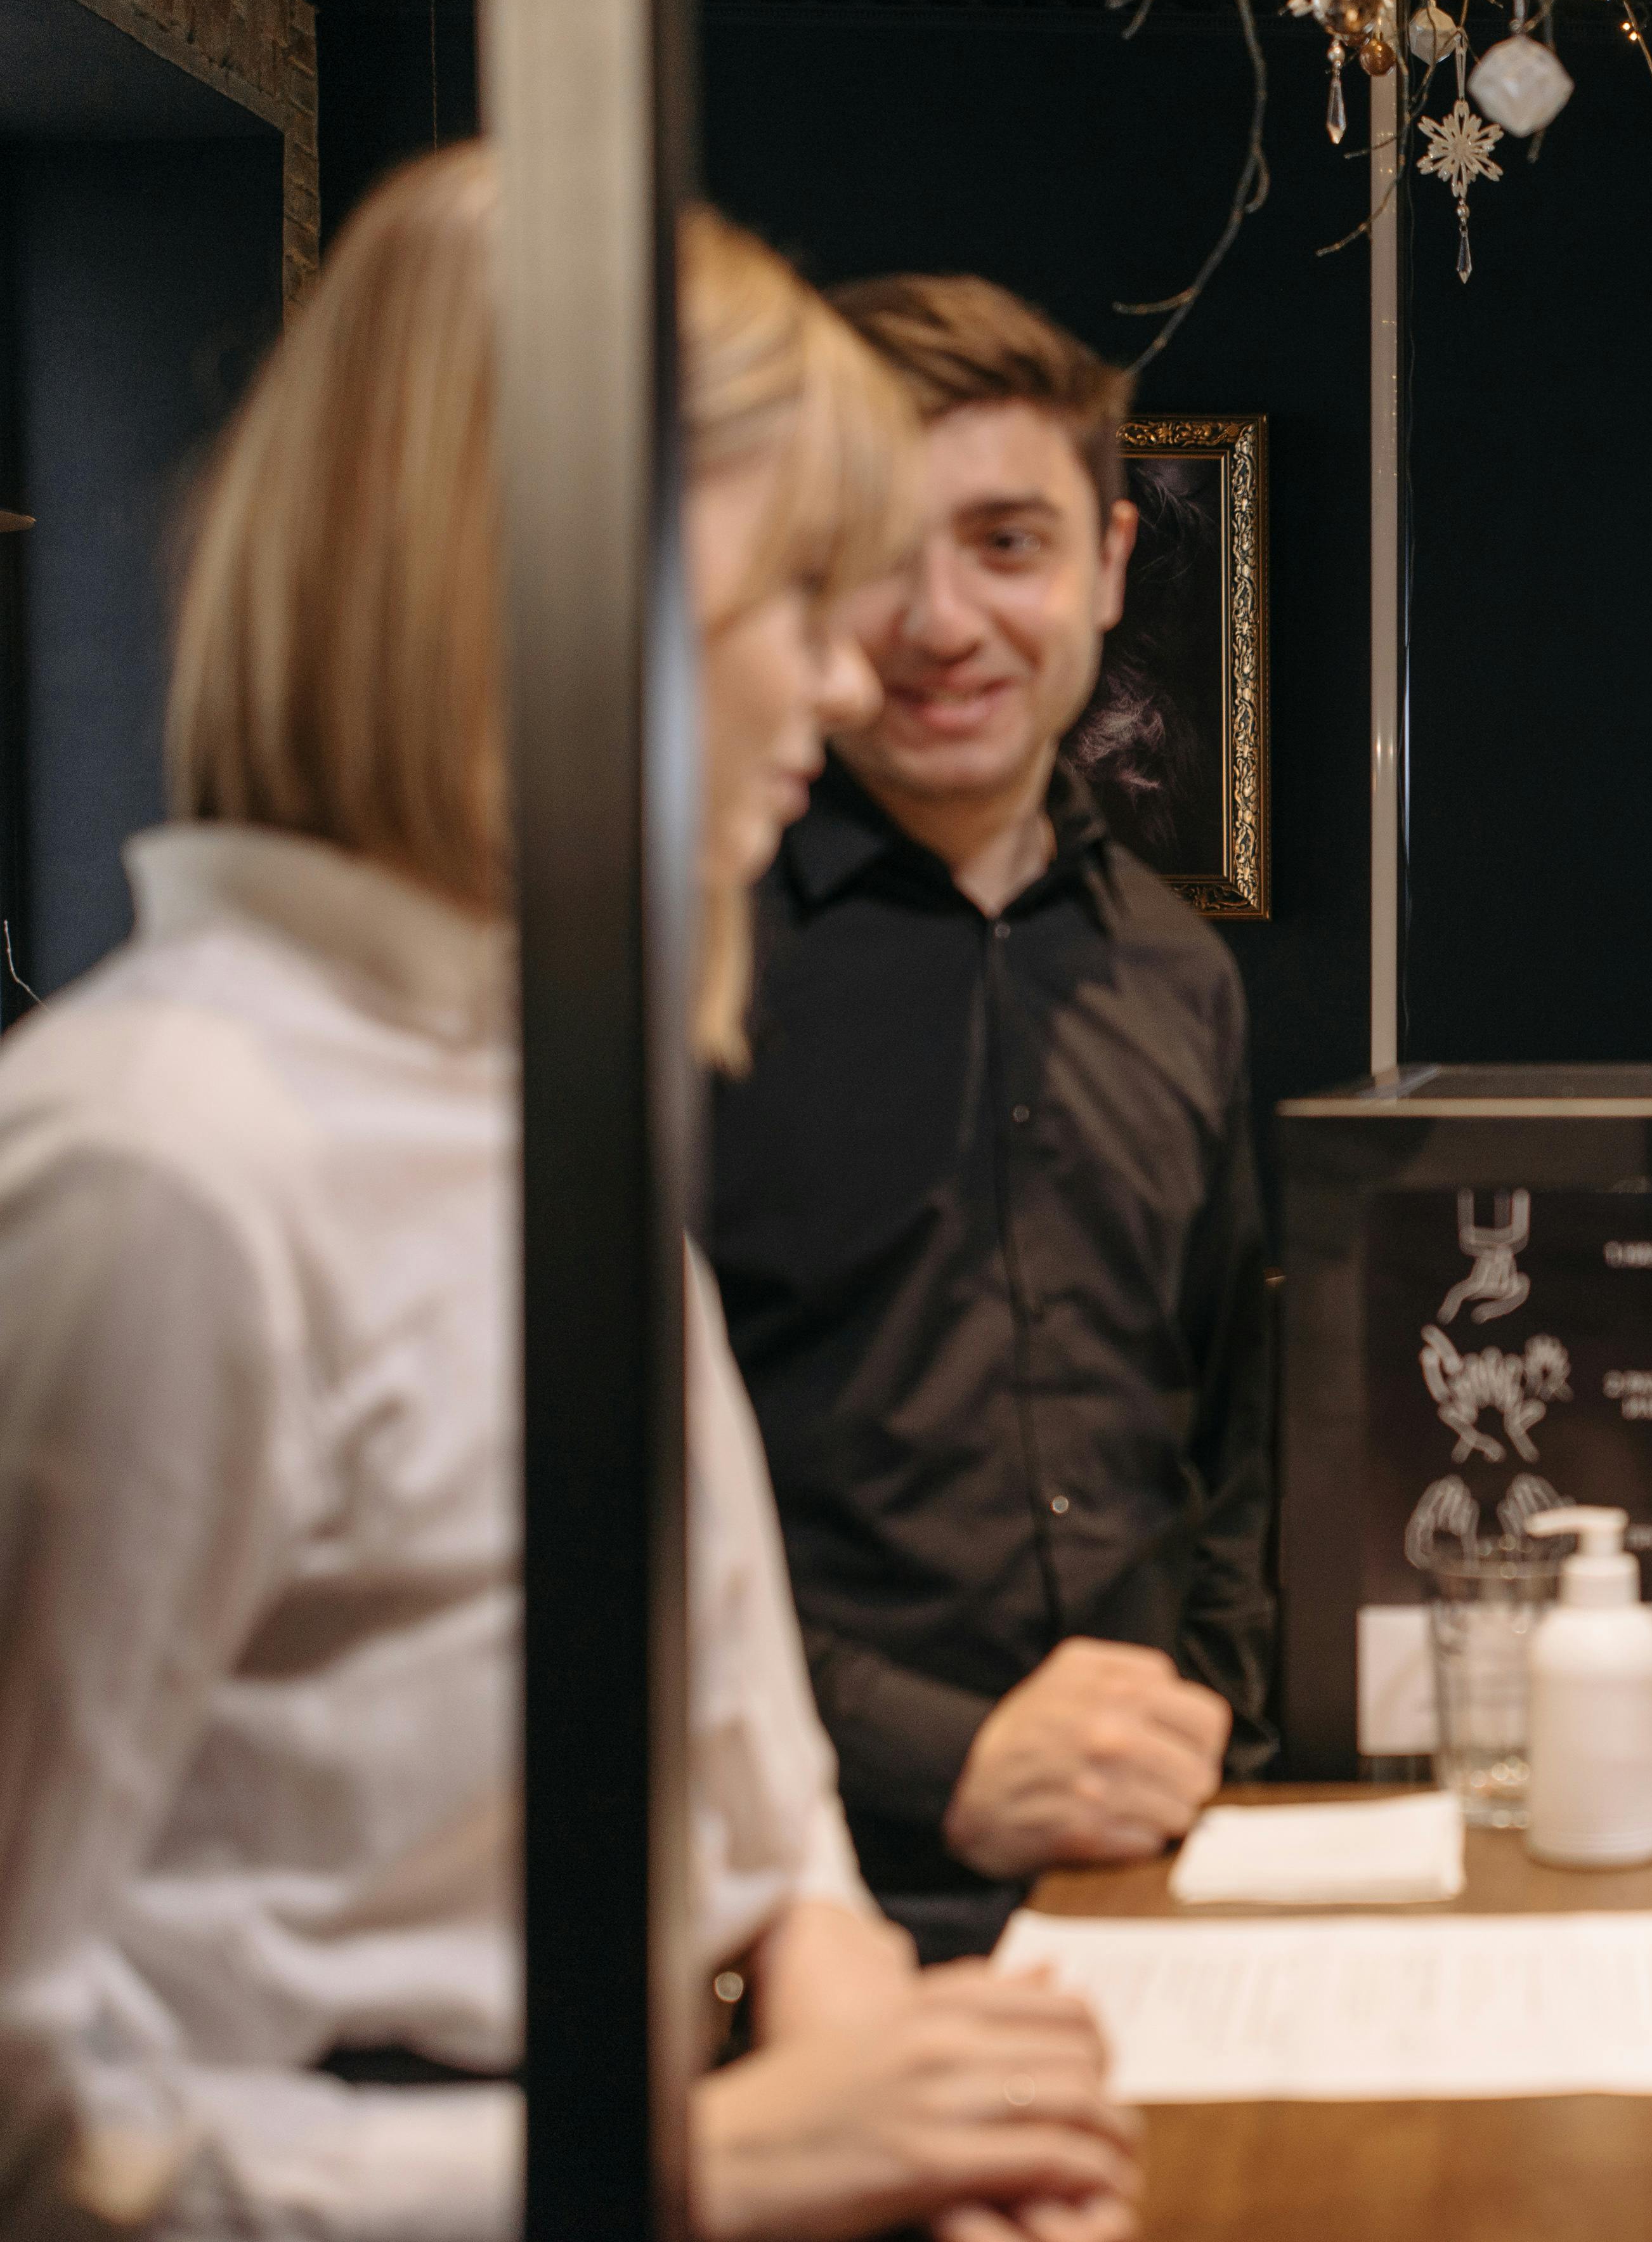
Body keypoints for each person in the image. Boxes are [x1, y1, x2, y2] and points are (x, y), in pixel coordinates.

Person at [0, 146, 1137, 2242]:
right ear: (516, 578)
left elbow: (728, 1710)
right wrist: (719, 2163)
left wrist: (840, 1984)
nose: (846, 679)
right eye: (791, 601)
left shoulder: (554, 1102)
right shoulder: (168, 1160)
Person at [705, 274, 1272, 1963]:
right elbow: (584, 1513)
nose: (943, 622)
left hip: (1160, 1873)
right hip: (792, 1908)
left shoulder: (1176, 973)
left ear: (1105, 562)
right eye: (877, 550)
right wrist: (938, 1758)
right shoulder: (675, 964)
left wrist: (1211, 1715)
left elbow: (1232, 1427)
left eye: (1006, 545)